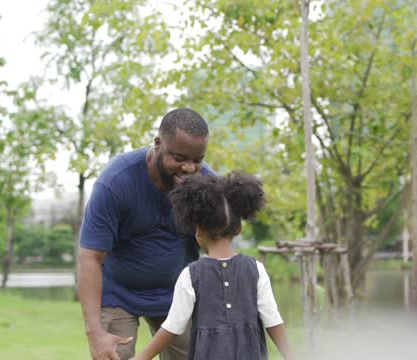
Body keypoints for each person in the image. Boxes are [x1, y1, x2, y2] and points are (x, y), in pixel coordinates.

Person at [78, 108, 215, 360]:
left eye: (197, 160)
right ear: (158, 143)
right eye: (179, 157)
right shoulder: (116, 182)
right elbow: (90, 258)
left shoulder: (205, 182)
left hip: (178, 295)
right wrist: (95, 333)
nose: (189, 168)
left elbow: (218, 247)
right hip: (118, 295)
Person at [132, 172, 294, 360]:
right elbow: (273, 320)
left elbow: (172, 327)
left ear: (198, 229)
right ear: (239, 229)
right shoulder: (256, 270)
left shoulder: (190, 275)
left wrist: (140, 358)